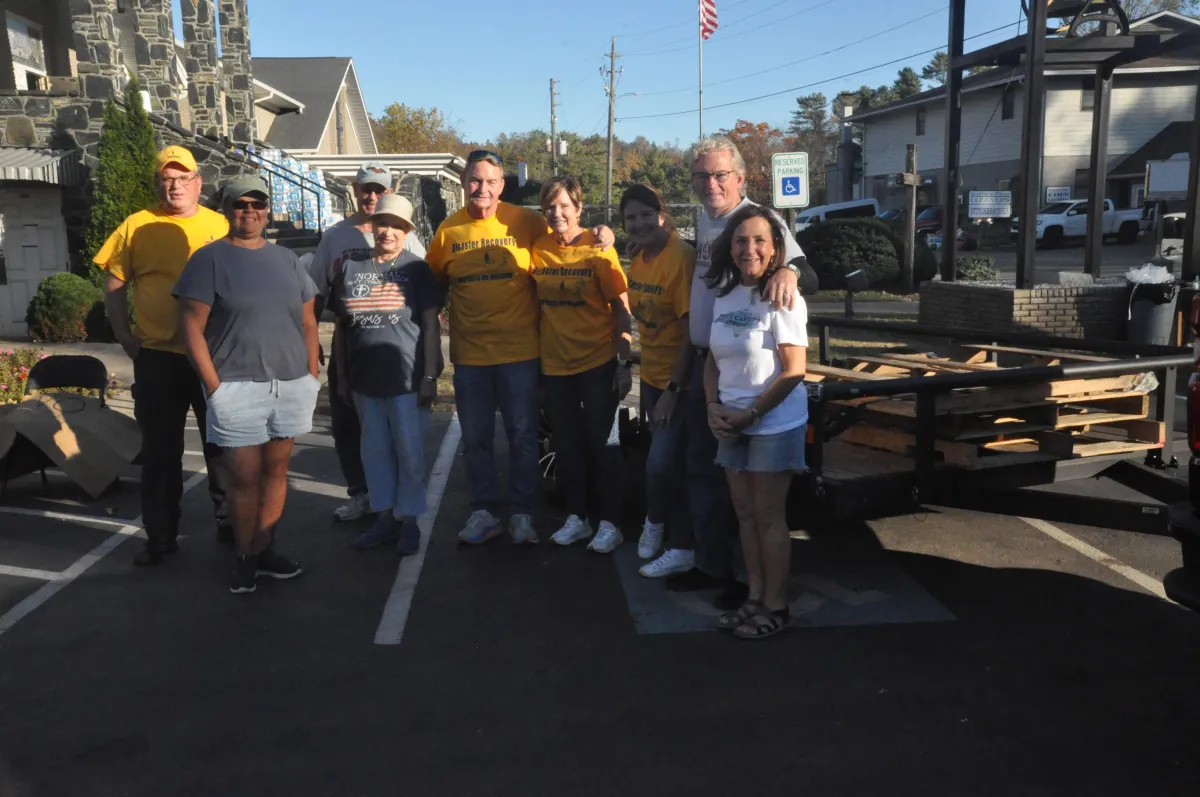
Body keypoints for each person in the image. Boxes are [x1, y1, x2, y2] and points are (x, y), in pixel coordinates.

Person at [426, 150, 613, 546]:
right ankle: (484, 512)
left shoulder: (526, 221)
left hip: (522, 354)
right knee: (475, 439)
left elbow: (569, 235)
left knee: (524, 437)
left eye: (491, 182)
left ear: (501, 185)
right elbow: (434, 283)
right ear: (463, 183)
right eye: (475, 181)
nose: (483, 189)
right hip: (471, 358)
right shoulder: (447, 232)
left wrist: (603, 232)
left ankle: (523, 514)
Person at [174, 175, 321, 595]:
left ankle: (266, 549)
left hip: (291, 383)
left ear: (267, 210)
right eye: (241, 204)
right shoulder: (208, 260)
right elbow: (191, 329)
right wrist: (214, 387)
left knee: (276, 473)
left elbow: (309, 320)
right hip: (236, 387)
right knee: (243, 479)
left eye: (258, 203)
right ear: (227, 209)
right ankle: (244, 555)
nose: (250, 211)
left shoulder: (288, 261)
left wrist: (311, 372)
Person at [679, 135, 805, 610]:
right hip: (714, 367)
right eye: (702, 176)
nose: (710, 183)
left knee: (758, 505)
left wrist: (790, 271)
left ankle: (751, 587)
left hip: (760, 396)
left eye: (719, 175)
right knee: (712, 481)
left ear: (740, 177)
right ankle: (719, 570)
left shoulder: (753, 219)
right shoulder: (709, 219)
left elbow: (803, 272)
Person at [95, 145, 230, 567]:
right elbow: (114, 279)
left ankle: (229, 522)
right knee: (159, 452)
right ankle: (159, 535)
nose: (175, 185)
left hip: (212, 356)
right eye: (167, 179)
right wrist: (122, 334)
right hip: (157, 356)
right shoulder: (137, 225)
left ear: (198, 183)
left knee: (222, 444)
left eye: (183, 177)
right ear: (158, 183)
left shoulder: (219, 224)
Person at [703, 206, 808, 639]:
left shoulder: (782, 295)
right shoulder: (725, 295)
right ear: (730, 247)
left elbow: (794, 370)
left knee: (768, 516)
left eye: (760, 240)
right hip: (730, 420)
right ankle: (755, 596)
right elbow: (711, 358)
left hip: (771, 423)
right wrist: (712, 405)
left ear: (775, 249)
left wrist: (752, 413)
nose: (750, 248)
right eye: (742, 240)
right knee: (745, 515)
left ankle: (776, 606)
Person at [318, 194, 441, 555]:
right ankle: (384, 516)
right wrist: (340, 379)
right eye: (383, 224)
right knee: (374, 453)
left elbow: (431, 327)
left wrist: (430, 375)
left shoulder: (417, 269)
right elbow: (342, 328)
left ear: (407, 232)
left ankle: (410, 521)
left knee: (409, 453)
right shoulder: (350, 268)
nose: (388, 231)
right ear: (372, 227)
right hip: (363, 381)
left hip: (406, 379)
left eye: (398, 226)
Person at [531, 176, 633, 554]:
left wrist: (624, 364)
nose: (556, 213)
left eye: (563, 206)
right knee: (567, 445)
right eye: (549, 207)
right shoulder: (538, 248)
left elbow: (623, 311)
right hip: (555, 366)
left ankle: (610, 523)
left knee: (604, 445)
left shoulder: (598, 247)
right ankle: (577, 517)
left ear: (578, 208)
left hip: (598, 362)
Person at [619, 184, 697, 578]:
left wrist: (673, 390)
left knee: (665, 464)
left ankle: (675, 539)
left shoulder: (680, 259)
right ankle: (662, 526)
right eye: (630, 218)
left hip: (677, 383)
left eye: (646, 215)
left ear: (663, 215)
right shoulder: (640, 258)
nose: (638, 224)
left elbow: (690, 333)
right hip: (650, 376)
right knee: (662, 461)